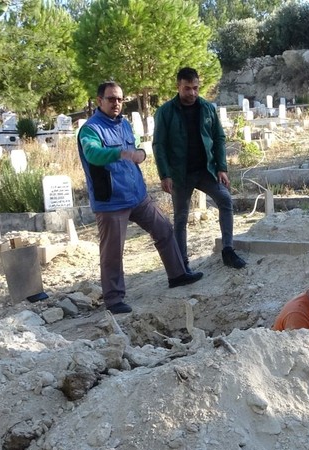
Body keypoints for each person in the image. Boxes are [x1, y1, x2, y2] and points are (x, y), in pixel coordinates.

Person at [77, 81, 203, 314]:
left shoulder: (124, 124)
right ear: (99, 101)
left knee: (164, 229)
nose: (116, 103)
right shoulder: (90, 130)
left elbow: (135, 146)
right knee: (113, 252)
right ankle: (114, 300)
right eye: (111, 99)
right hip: (111, 201)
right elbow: (93, 154)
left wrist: (141, 153)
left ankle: (177, 275)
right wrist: (120, 153)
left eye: (120, 99)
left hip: (137, 195)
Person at [153, 66, 246, 272]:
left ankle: (228, 250)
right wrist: (165, 174)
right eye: (187, 89)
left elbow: (219, 138)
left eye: (195, 88)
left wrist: (221, 167)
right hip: (180, 173)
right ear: (178, 87)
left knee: (225, 200)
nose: (192, 93)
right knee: (180, 218)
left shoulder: (207, 108)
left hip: (206, 170)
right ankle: (181, 264)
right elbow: (159, 144)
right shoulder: (165, 112)